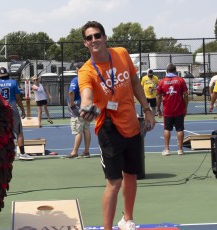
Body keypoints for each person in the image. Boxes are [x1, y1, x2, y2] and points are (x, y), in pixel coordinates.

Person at [78, 21, 155, 230]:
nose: (93, 40)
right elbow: (86, 95)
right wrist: (86, 106)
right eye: (89, 38)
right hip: (109, 128)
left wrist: (147, 110)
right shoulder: (86, 71)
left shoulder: (121, 53)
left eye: (97, 35)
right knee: (114, 182)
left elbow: (135, 82)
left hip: (132, 124)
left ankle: (127, 219)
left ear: (104, 37)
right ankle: (108, 228)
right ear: (85, 43)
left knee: (131, 175)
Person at [0, 67, 34, 160]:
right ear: (8, 74)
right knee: (18, 131)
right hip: (11, 108)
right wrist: (23, 110)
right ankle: (22, 153)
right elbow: (18, 98)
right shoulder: (13, 83)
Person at [157, 63, 188, 156]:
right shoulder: (181, 80)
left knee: (167, 129)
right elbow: (186, 94)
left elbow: (158, 96)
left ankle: (167, 150)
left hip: (167, 110)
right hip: (179, 109)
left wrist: (158, 109)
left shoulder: (162, 81)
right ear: (175, 71)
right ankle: (180, 150)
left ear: (167, 71)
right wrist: (185, 107)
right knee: (180, 129)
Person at [63, 62, 91, 159]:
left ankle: (74, 152)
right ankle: (86, 151)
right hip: (87, 105)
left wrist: (71, 103)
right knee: (86, 129)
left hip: (78, 108)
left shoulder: (76, 79)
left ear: (78, 69)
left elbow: (71, 92)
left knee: (78, 130)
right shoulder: (88, 78)